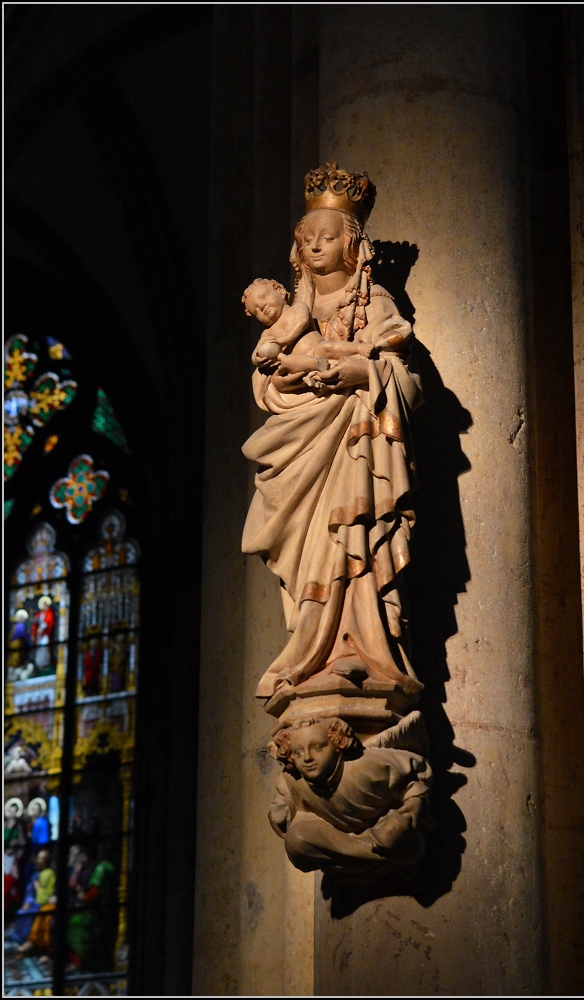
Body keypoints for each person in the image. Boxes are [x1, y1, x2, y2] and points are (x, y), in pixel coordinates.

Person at [242, 163, 423, 703]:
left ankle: (360, 651)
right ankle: (311, 651)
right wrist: (280, 375)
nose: (317, 245)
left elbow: (406, 381)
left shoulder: (376, 305)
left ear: (352, 245)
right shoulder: (292, 313)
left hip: (355, 447)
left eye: (329, 237)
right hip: (304, 450)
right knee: (312, 548)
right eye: (309, 238)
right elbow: (270, 386)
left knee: (357, 542)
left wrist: (358, 372)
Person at [268, 717, 431, 874]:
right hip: (348, 842)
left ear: (338, 743)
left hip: (386, 828)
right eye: (298, 753)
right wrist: (283, 813)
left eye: (318, 747)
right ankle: (378, 858)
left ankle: (368, 862)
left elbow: (419, 776)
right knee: (296, 841)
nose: (307, 758)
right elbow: (297, 806)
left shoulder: (367, 766)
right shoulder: (293, 780)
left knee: (407, 843)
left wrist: (403, 817)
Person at [244, 276, 374, 381]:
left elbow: (303, 321)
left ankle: (358, 348)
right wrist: (256, 359)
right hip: (298, 363)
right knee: (285, 361)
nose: (261, 306)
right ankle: (317, 364)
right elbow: (257, 350)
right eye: (256, 311)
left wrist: (284, 340)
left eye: (263, 297)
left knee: (328, 347)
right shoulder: (268, 333)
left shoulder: (297, 308)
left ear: (279, 291)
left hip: (316, 348)